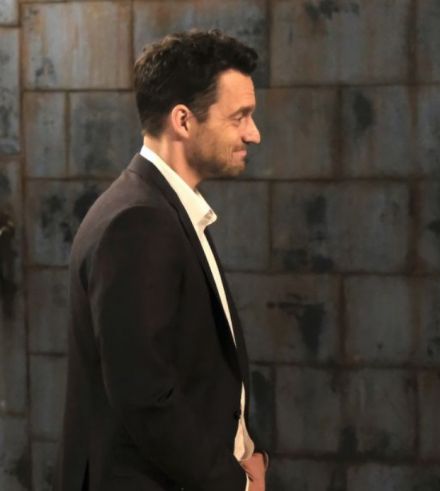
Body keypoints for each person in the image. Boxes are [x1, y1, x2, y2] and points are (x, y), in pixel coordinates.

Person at [55, 29, 267, 491]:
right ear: (184, 121)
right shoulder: (137, 223)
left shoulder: (160, 208)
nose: (254, 133)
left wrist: (249, 450)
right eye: (240, 117)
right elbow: (145, 395)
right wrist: (237, 483)